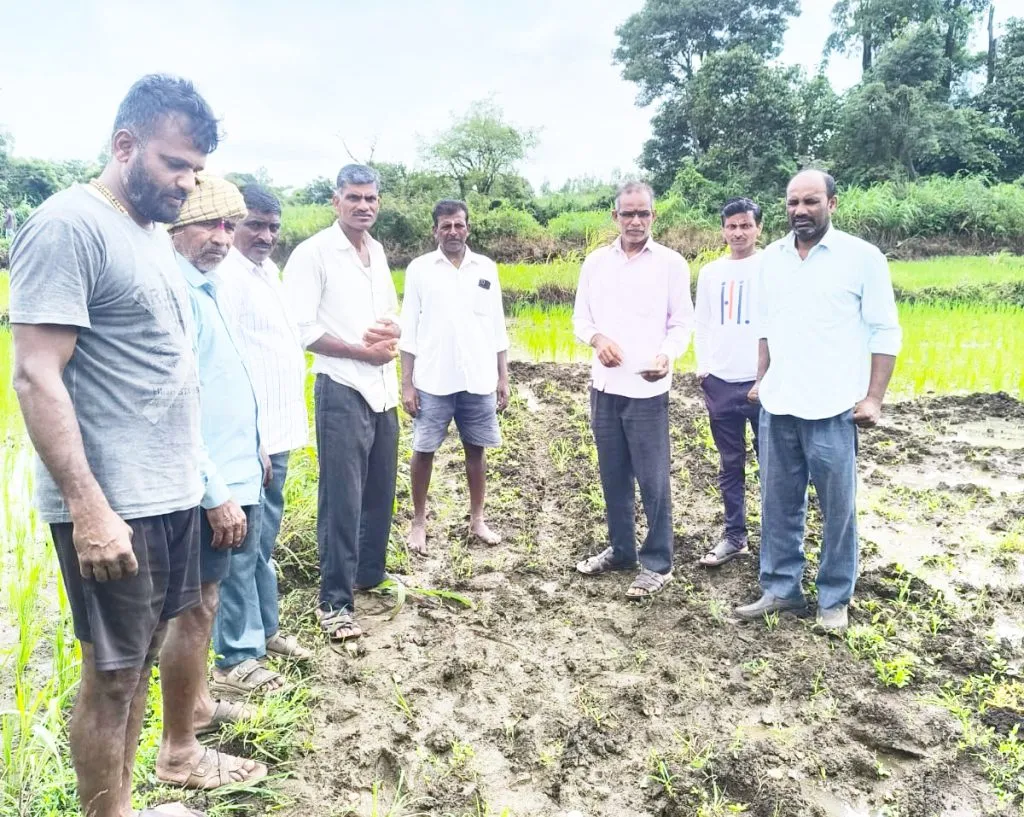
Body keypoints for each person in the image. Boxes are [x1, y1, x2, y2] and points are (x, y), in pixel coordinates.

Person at [9, 73, 220, 817]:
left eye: (196, 169)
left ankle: (123, 805)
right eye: (174, 164)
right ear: (125, 146)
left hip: (168, 494)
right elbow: (37, 376)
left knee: (136, 666)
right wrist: (88, 506)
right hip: (114, 506)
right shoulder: (68, 225)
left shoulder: (149, 235)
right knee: (110, 673)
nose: (188, 183)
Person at [735, 170, 901, 633]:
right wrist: (761, 379)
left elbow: (886, 330)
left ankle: (833, 599)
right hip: (780, 405)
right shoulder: (771, 259)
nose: (800, 211)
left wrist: (874, 398)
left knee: (838, 509)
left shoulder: (862, 258)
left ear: (833, 202)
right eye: (792, 203)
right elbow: (765, 325)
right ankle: (781, 588)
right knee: (778, 503)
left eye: (811, 202)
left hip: (834, 408)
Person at [156, 175, 271, 790]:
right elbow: (180, 405)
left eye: (229, 225)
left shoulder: (207, 289)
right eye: (208, 225)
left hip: (231, 468)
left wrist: (251, 450)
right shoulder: (175, 291)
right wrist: (216, 489)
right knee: (194, 609)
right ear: (175, 227)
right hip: (204, 484)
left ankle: (199, 706)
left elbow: (222, 384)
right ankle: (179, 751)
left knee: (205, 600)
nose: (221, 238)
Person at [283, 164, 400, 646]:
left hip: (382, 388)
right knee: (342, 499)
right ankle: (334, 603)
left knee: (378, 490)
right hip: (341, 386)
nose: (364, 206)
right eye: (354, 198)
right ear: (336, 201)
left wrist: (392, 333)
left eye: (371, 198)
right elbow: (303, 329)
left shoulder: (376, 251)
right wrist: (361, 351)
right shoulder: (313, 254)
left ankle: (369, 576)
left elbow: (389, 314)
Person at [572, 181, 694, 598]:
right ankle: (622, 550)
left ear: (654, 216)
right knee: (613, 475)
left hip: (647, 389)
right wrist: (598, 340)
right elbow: (581, 320)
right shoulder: (595, 263)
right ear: (615, 217)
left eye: (643, 213)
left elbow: (681, 323)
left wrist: (667, 355)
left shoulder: (671, 264)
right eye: (628, 214)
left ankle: (658, 562)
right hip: (605, 387)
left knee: (653, 479)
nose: (636, 221)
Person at [216, 185, 312, 663]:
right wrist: (253, 438)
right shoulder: (225, 278)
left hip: (278, 433)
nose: (266, 235)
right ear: (231, 223)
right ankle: (238, 653)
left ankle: (265, 629)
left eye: (273, 226)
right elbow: (229, 363)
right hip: (251, 441)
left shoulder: (267, 271)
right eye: (255, 224)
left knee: (262, 543)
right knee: (240, 547)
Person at [399, 199, 511, 555]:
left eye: (458, 225)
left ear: (468, 228)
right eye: (445, 226)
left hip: (477, 378)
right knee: (424, 450)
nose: (452, 232)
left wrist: (502, 378)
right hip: (432, 379)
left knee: (476, 451)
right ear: (434, 230)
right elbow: (409, 329)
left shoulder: (486, 268)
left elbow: (496, 326)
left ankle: (477, 520)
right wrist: (407, 383)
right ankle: (419, 522)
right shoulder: (419, 269)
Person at [695, 197, 764, 567]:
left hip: (761, 383)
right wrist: (704, 369)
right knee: (730, 463)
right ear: (723, 230)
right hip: (720, 382)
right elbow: (702, 323)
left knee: (772, 463)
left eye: (745, 225)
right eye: (732, 226)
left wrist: (768, 377)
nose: (738, 232)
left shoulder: (771, 266)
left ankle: (775, 538)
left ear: (758, 229)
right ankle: (735, 536)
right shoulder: (710, 272)